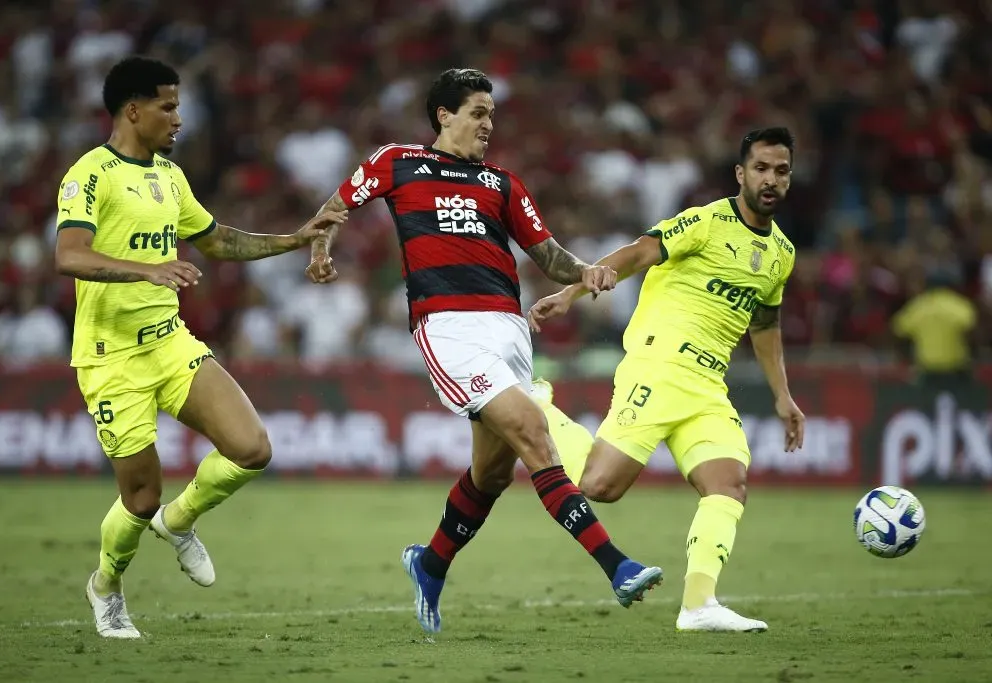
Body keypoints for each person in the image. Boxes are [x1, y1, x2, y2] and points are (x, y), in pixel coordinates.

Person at [304, 68, 662, 633]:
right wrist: (321, 249)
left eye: (491, 114)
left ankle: (431, 562)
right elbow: (335, 208)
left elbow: (545, 254)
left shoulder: (502, 183)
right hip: (449, 329)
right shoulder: (394, 161)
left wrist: (586, 271)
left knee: (491, 474)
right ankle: (617, 566)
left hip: (508, 330)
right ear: (444, 115)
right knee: (533, 432)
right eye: (478, 112)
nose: (488, 124)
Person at [54, 56, 346, 639]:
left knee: (252, 448)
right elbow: (69, 255)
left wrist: (295, 238)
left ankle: (180, 521)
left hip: (168, 342)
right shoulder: (90, 175)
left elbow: (217, 241)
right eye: (168, 105)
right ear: (133, 110)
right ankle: (106, 586)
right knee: (138, 497)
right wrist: (146, 270)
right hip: (111, 357)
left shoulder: (169, 176)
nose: (178, 118)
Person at [528, 127, 805, 632]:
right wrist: (571, 292)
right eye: (761, 169)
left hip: (707, 386)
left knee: (728, 484)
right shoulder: (704, 222)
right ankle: (536, 408)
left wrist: (783, 397)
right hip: (661, 365)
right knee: (599, 486)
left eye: (781, 170)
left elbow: (764, 324)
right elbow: (637, 252)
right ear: (741, 174)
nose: (771, 179)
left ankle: (699, 605)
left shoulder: (782, 253)